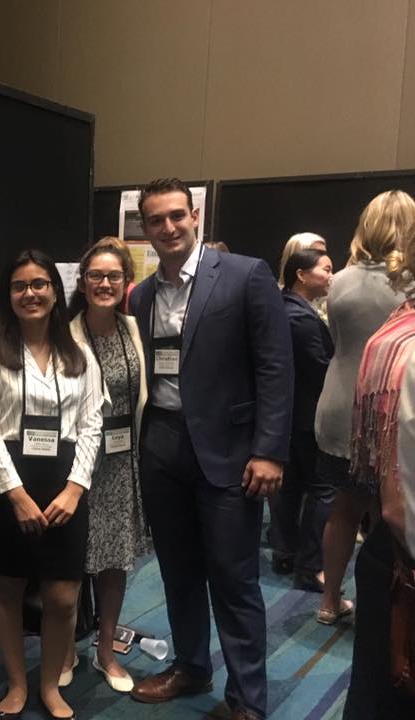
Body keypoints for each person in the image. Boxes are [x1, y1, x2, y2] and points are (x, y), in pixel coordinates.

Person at [127, 178, 293, 720]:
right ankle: (191, 666)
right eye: (156, 220)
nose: (168, 228)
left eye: (177, 216)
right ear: (145, 227)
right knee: (177, 568)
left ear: (194, 215)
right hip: (164, 447)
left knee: (233, 576)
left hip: (231, 452)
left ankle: (247, 700)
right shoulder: (145, 294)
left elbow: (275, 366)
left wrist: (270, 450)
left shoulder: (246, 275)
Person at [0, 249, 102, 720]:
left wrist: (75, 488)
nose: (30, 293)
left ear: (55, 290)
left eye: (39, 284)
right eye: (19, 286)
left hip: (65, 482)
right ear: (8, 296)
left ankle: (50, 685)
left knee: (63, 594)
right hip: (9, 486)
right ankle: (16, 682)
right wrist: (17, 495)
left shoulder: (79, 353)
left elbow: (92, 426)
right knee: (8, 585)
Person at [315, 190, 413, 625]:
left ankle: (328, 601)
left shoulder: (339, 280)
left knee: (343, 508)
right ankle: (387, 611)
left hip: (337, 407)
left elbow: (337, 342)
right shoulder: (409, 281)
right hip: (386, 414)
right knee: (389, 516)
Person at [64, 237, 149, 693]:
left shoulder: (133, 329)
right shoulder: (66, 334)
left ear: (125, 282)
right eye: (95, 275)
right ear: (82, 281)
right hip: (78, 468)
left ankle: (104, 651)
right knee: (73, 563)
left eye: (113, 275)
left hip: (121, 464)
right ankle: (62, 651)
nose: (104, 283)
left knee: (114, 562)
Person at [343, 233, 415, 718]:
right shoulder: (405, 344)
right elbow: (400, 502)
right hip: (403, 558)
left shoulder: (396, 331)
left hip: (389, 547)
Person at [270, 249, 334, 590]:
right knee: (322, 489)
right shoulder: (303, 319)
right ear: (302, 275)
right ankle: (311, 566)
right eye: (326, 269)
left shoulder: (281, 309)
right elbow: (321, 369)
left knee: (290, 485)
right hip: (308, 416)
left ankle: (284, 551)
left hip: (287, 415)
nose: (331, 276)